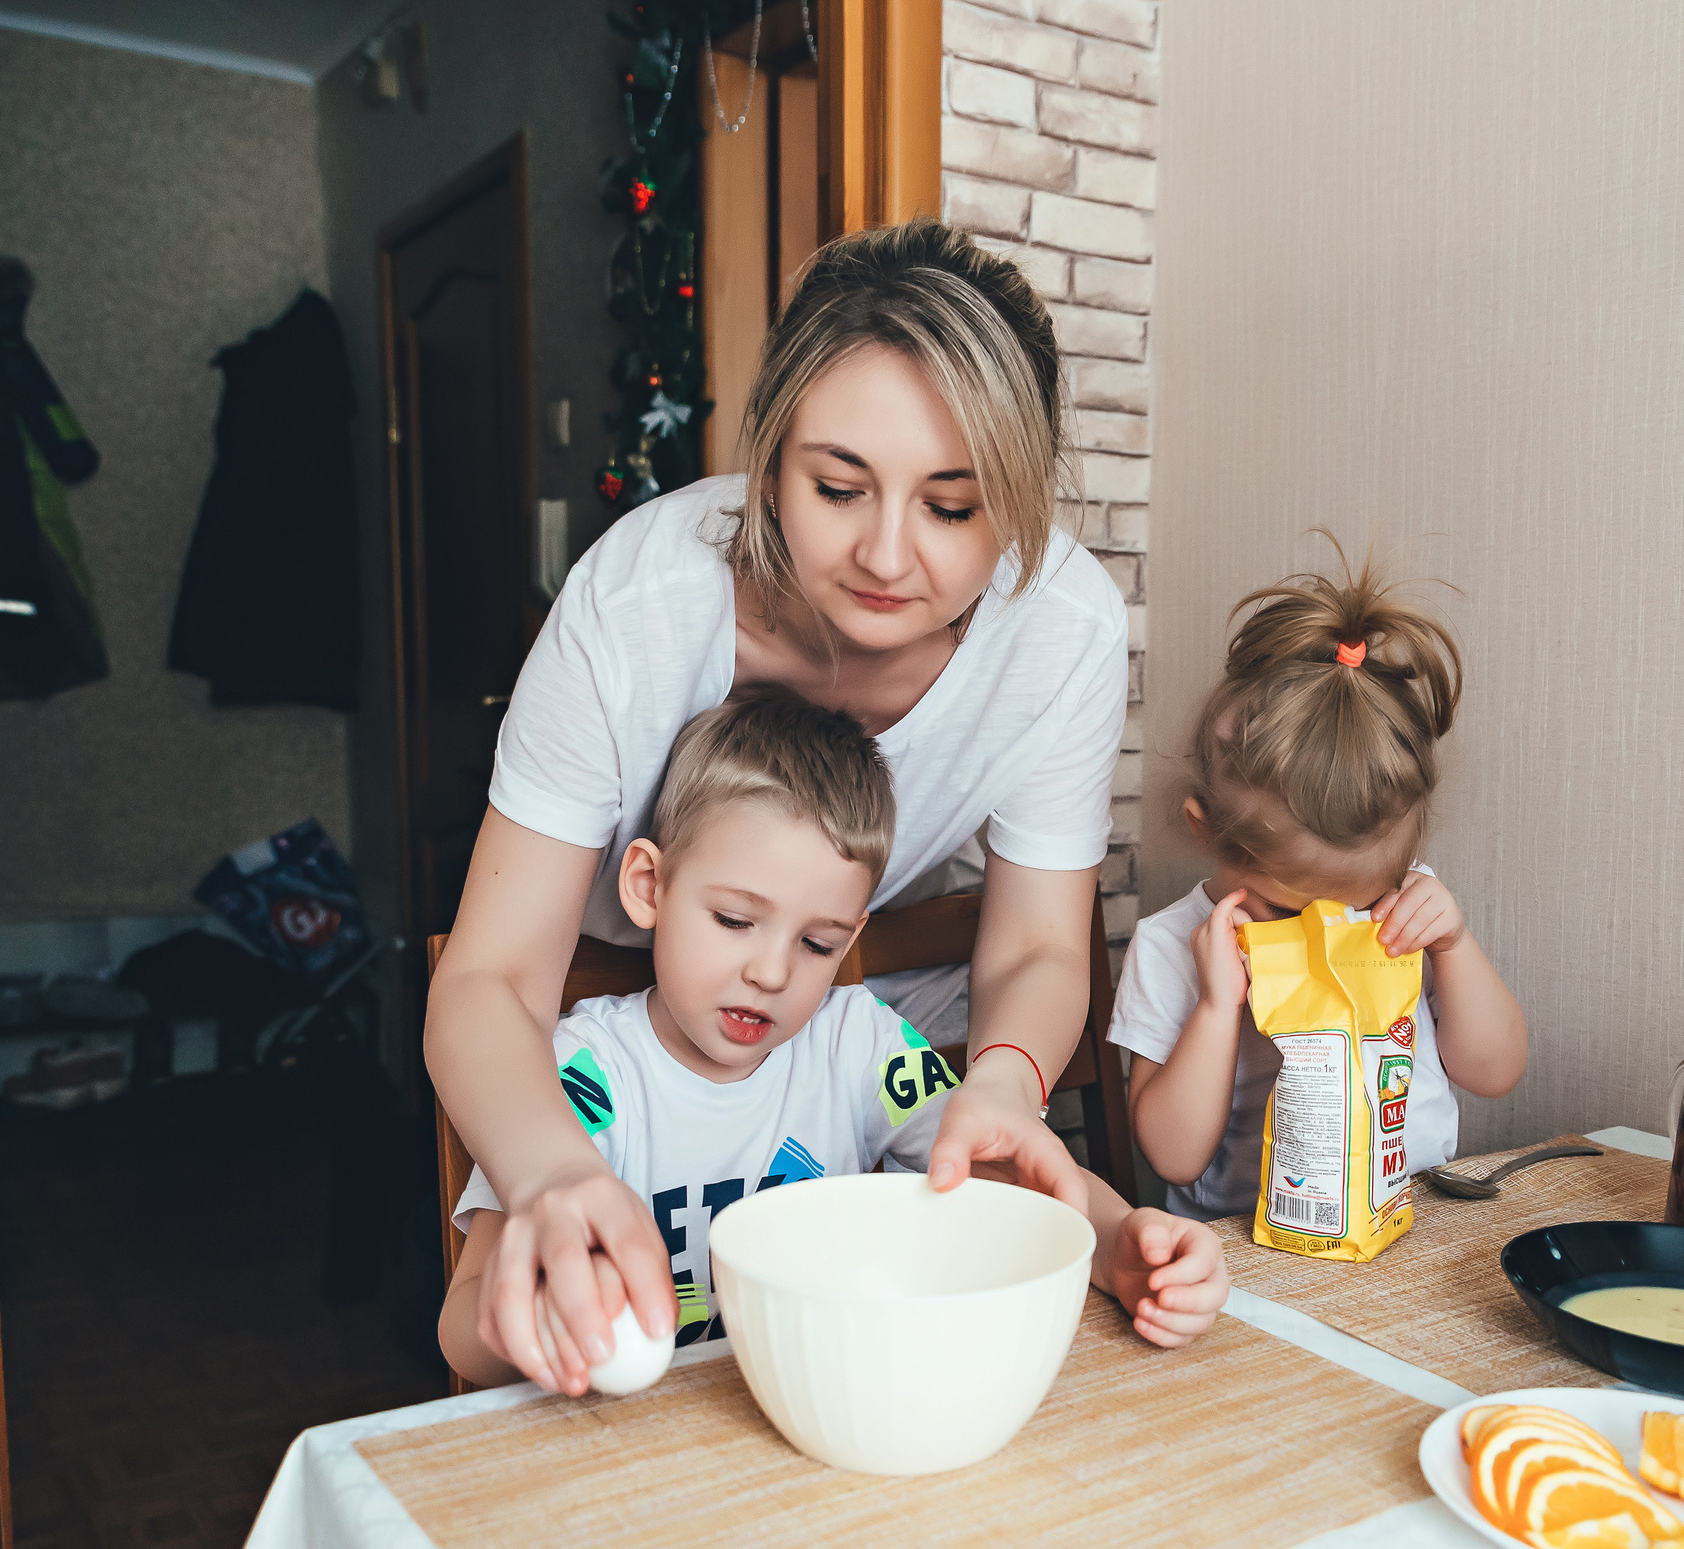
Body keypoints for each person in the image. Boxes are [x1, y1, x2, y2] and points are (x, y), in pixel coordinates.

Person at [426, 221, 1136, 1393]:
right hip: (618, 1053)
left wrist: (1004, 1082)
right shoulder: (639, 603)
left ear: (1016, 498)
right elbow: (490, 980)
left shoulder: (1058, 629)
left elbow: (1043, 943)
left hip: (827, 1058)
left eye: (954, 507)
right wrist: (553, 1170)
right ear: (767, 460)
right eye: (837, 487)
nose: (888, 554)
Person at [438, 691, 1227, 1391]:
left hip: (821, 1415)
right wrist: (534, 1316)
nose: (772, 971)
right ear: (650, 886)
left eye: (817, 944)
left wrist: (1118, 1241)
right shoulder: (583, 1080)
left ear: (850, 939)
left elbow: (1005, 1170)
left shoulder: (860, 1047)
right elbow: (463, 1329)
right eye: (735, 920)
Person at [1109, 553, 1530, 1220]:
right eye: (1287, 905)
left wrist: (1453, 944)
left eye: (1352, 903)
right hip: (1246, 1246)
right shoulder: (1170, 947)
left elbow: (1494, 1071)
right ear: (1206, 832)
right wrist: (1218, 1007)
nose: (1325, 926)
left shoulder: (1404, 910)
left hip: (1409, 1217)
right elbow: (1172, 1157)